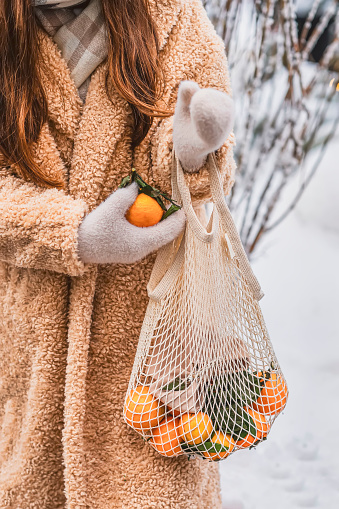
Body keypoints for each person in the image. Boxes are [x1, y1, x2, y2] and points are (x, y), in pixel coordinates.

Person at [0, 0, 236, 507]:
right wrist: (73, 234)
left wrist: (190, 152)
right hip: (26, 357)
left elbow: (194, 185)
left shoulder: (173, 18)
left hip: (151, 358)